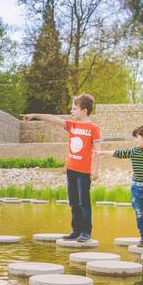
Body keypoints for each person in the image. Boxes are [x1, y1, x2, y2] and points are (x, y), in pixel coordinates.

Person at [22, 94, 101, 241]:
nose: (72, 111)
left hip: (84, 172)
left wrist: (96, 170)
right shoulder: (72, 125)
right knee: (73, 202)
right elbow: (52, 118)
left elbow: (98, 151)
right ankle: (76, 231)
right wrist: (34, 115)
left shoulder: (93, 128)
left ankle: (86, 232)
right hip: (71, 170)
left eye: (74, 108)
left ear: (84, 110)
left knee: (84, 202)